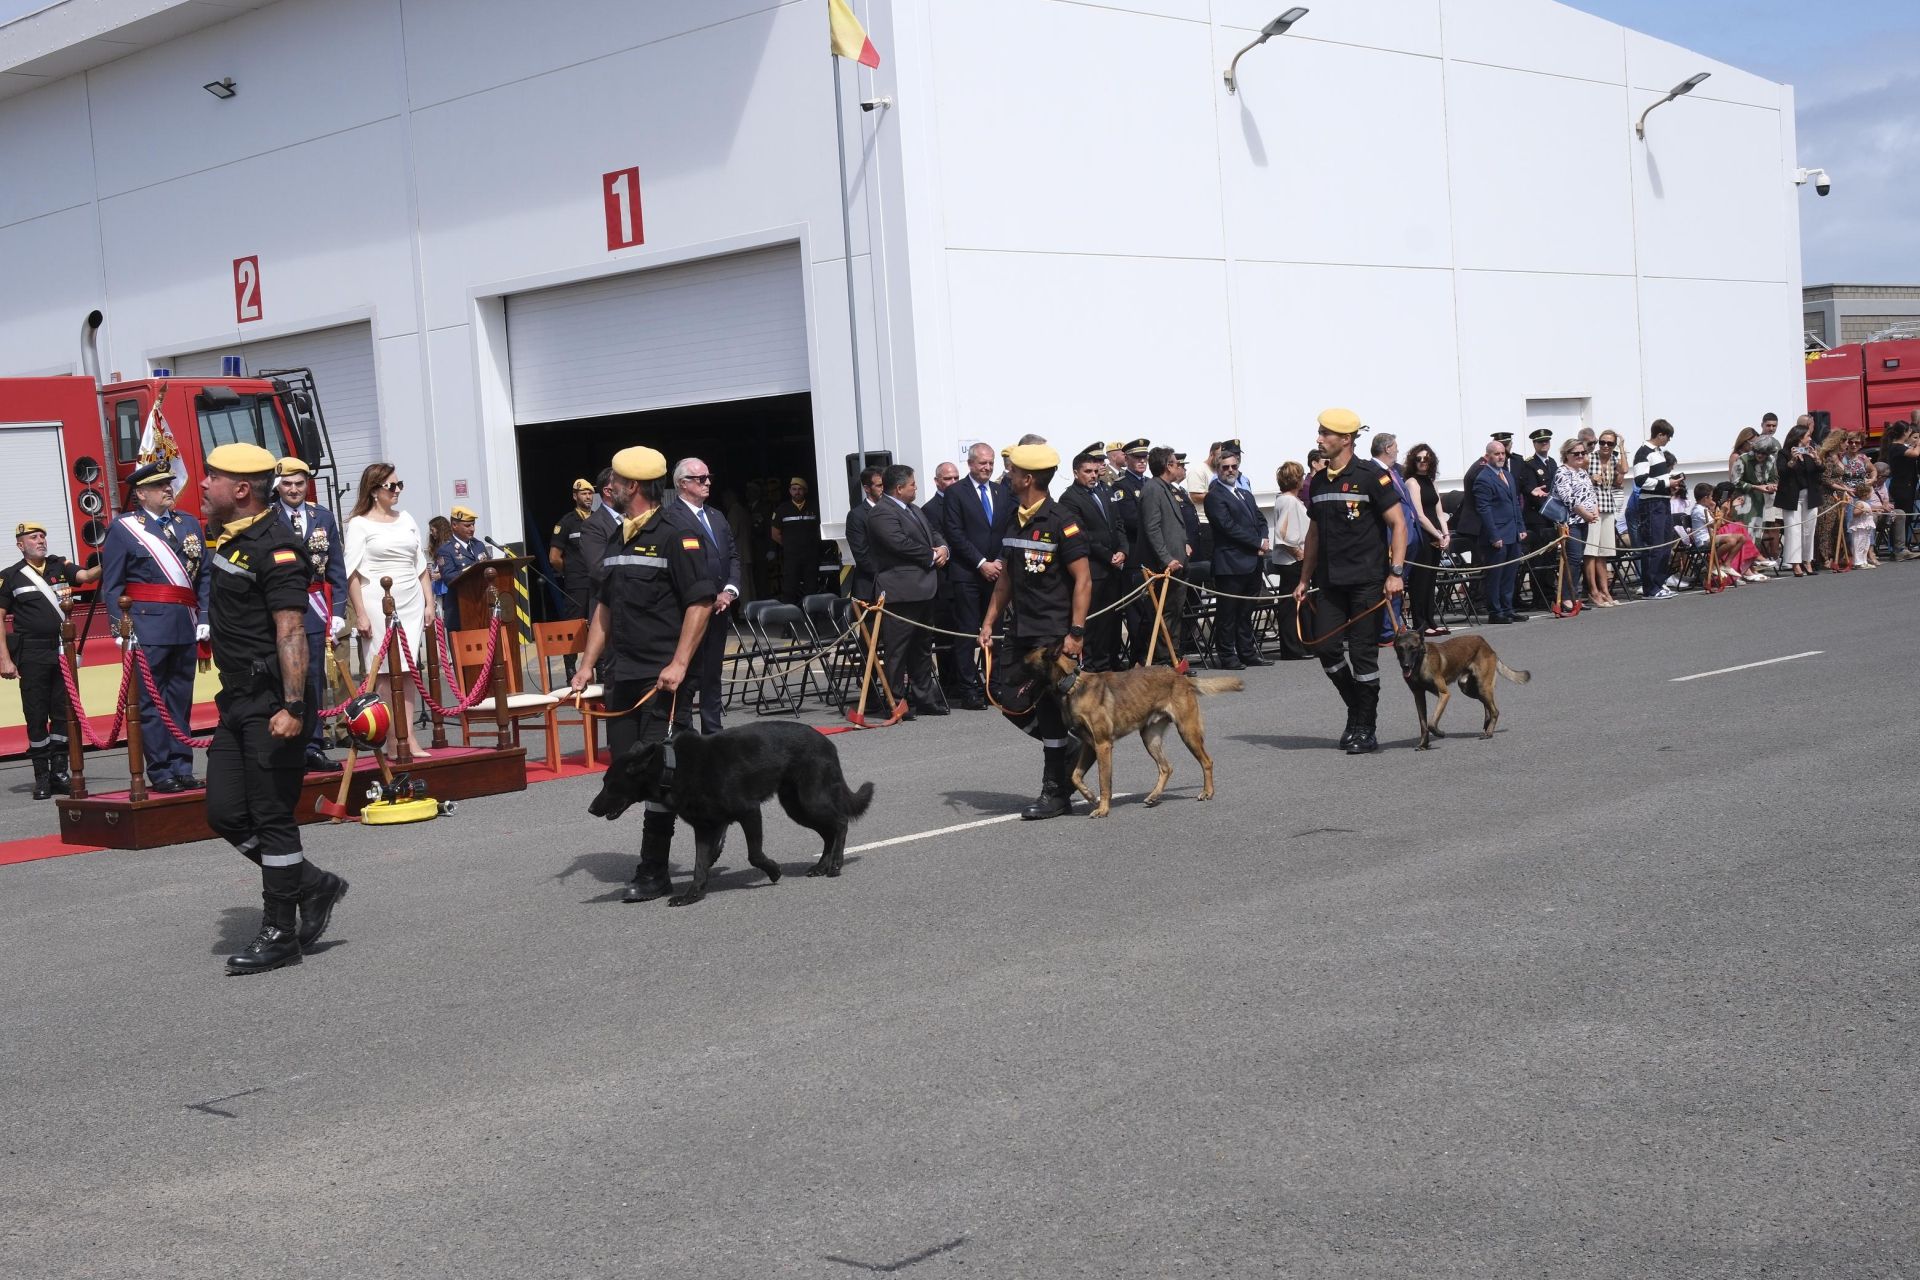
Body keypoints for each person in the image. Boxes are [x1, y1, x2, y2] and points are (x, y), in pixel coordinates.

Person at [198, 442, 347, 976]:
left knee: (272, 817)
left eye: (212, 477)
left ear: (241, 489)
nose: (203, 484)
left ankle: (280, 931)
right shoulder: (231, 537)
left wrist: (293, 706)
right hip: (237, 699)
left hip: (273, 702)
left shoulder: (277, 547)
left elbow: (291, 632)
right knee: (224, 812)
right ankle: (311, 883)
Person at [569, 446, 715, 903]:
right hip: (622, 673)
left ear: (632, 486)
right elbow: (604, 607)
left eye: (614, 480)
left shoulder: (678, 533)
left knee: (658, 769)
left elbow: (701, 603)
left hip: (662, 675)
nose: (607, 486)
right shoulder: (617, 536)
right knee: (625, 762)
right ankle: (712, 812)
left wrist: (679, 663)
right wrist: (587, 664)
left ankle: (654, 869)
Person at [978, 442, 1091, 819]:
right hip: (1019, 630)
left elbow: (1083, 580)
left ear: (1027, 478)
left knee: (1050, 710)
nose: (1007, 475)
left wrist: (1075, 633)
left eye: (1012, 471)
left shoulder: (1062, 522)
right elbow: (1006, 578)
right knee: (1004, 695)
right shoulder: (1014, 519)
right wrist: (989, 621)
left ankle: (1054, 792)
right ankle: (1073, 748)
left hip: (1053, 635)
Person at [1292, 409, 1407, 754]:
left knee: (1362, 655)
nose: (1319, 439)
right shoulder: (1318, 481)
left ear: (1346, 439)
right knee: (1325, 648)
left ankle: (1366, 728)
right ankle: (1356, 707)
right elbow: (1314, 533)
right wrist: (1304, 578)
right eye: (1319, 432)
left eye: (1325, 433)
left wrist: (1396, 573)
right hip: (1330, 583)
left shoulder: (1371, 476)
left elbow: (1398, 524)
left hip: (1366, 582)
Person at [101, 461, 208, 793]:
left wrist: (205, 617)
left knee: (180, 700)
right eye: (159, 485)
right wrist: (121, 629)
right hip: (147, 628)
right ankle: (160, 771)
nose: (167, 489)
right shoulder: (125, 529)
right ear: (141, 493)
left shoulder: (188, 524)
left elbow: (204, 576)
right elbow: (112, 585)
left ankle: (182, 766)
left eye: (168, 483)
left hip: (186, 624)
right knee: (151, 703)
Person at [0, 520, 99, 798]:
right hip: (31, 653)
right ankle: (41, 776)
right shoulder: (10, 576)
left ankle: (59, 771)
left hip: (61, 650)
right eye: (33, 537)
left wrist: (112, 557)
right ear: (21, 545)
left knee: (62, 712)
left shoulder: (59, 566)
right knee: (35, 714)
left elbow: (87, 576)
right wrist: (4, 659)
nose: (40, 540)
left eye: (42, 536)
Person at [345, 462, 433, 757]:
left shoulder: (406, 518)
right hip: (376, 600)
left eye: (399, 485)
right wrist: (360, 613)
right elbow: (352, 573)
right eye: (391, 486)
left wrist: (429, 602)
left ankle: (409, 737)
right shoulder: (359, 524)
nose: (397, 490)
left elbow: (420, 564)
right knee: (383, 672)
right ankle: (393, 739)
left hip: (410, 600)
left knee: (408, 670)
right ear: (374, 490)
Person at [271, 457, 349, 771]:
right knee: (284, 677)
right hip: (280, 608)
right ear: (278, 486)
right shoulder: (268, 517)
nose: (294, 490)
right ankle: (288, 748)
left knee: (314, 679)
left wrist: (338, 609)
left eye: (299, 483)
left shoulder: (323, 517)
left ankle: (313, 746)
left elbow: (336, 567)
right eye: (287, 484)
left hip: (315, 607)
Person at [867, 464, 950, 716]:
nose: (916, 488)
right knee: (898, 650)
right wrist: (929, 555)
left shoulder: (914, 509)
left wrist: (943, 548)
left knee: (922, 648)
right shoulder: (882, 512)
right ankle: (896, 701)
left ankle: (925, 698)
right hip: (901, 592)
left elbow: (933, 532)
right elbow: (898, 543)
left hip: (924, 589)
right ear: (899, 488)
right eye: (912, 484)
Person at [668, 457, 742, 734]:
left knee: (712, 673)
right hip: (690, 610)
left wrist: (729, 591)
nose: (708, 482)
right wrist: (710, 594)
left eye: (709, 477)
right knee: (688, 673)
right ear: (682, 483)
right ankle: (684, 732)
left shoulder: (716, 516)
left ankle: (713, 731)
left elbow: (732, 556)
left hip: (720, 608)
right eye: (701, 478)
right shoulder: (671, 518)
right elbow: (686, 566)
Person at [943, 443, 1010, 710]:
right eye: (983, 463)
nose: (988, 467)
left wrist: (1000, 561)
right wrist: (981, 563)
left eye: (991, 463)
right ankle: (969, 688)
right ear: (970, 464)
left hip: (997, 573)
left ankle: (994, 685)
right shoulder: (956, 493)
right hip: (968, 574)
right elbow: (954, 532)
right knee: (967, 633)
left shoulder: (1001, 491)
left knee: (996, 632)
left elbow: (1009, 528)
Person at [1058, 443, 1128, 672]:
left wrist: (1123, 550)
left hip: (1114, 566)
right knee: (1094, 621)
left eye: (1096, 471)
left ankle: (1109, 662)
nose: (1093, 475)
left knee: (1112, 620)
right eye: (1087, 471)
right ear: (1076, 473)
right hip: (1093, 568)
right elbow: (1082, 535)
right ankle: (1093, 666)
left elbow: (1118, 523)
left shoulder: (1105, 491)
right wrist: (1108, 555)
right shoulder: (1069, 498)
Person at [1199, 444, 1268, 670]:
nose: (1230, 471)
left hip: (1252, 561)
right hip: (1230, 563)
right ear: (1217, 469)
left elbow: (1260, 519)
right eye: (1225, 467)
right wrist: (1256, 542)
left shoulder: (1244, 493)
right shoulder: (1214, 496)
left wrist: (1264, 539)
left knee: (1246, 611)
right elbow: (1227, 527)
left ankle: (1247, 652)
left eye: (1234, 467)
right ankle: (1227, 655)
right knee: (1228, 613)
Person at [1135, 446, 1190, 666]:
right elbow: (1153, 528)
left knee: (1173, 613)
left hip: (1178, 562)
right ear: (1168, 466)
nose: (1179, 466)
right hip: (1164, 566)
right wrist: (1166, 558)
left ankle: (1173, 658)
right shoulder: (1153, 489)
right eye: (1176, 463)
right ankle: (1164, 661)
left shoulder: (1165, 488)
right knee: (1164, 615)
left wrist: (1183, 546)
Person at [1473, 438, 1526, 623]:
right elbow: (1484, 510)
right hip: (1497, 535)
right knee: (1496, 575)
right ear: (1487, 456)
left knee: (1510, 574)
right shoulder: (1483, 478)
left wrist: (1521, 527)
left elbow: (1515, 504)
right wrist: (1494, 536)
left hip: (1512, 532)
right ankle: (1495, 612)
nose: (1501, 457)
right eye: (1497, 454)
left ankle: (1507, 608)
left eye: (1503, 453)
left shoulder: (1507, 475)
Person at [1400, 443, 1451, 635]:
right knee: (1420, 581)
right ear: (1413, 461)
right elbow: (1419, 515)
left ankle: (1431, 621)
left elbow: (1439, 513)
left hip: (1436, 535)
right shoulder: (1412, 482)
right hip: (1422, 536)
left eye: (1426, 459)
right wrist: (1438, 534)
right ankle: (1420, 623)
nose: (1423, 462)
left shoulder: (1431, 482)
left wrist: (1446, 534)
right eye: (1419, 459)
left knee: (1430, 581)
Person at [1268, 461, 1313, 660]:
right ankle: (1292, 648)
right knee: (1291, 605)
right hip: (1292, 560)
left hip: (1291, 559)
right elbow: (1282, 533)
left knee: (1299, 604)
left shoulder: (1287, 500)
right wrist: (1298, 553)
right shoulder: (1288, 501)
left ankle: (1304, 644)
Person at [1631, 420, 1680, 599]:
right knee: (1654, 545)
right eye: (1668, 437)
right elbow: (1640, 480)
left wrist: (1671, 484)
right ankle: (1650, 588)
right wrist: (1667, 483)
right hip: (1651, 504)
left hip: (1663, 501)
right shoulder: (1644, 452)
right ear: (1660, 434)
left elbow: (1658, 479)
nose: (1668, 440)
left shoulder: (1659, 453)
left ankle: (1659, 583)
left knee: (1665, 544)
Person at [1551, 439, 1600, 612]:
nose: (1580, 456)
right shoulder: (1562, 472)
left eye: (1583, 453)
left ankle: (1574, 595)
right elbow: (1568, 499)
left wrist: (1594, 510)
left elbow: (1591, 494)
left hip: (1584, 521)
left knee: (1578, 559)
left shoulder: (1582, 472)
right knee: (1572, 559)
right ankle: (1566, 597)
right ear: (1566, 455)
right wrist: (1585, 514)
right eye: (1576, 453)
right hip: (1570, 522)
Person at [1513, 427, 1559, 610]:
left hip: (1551, 518)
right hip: (1537, 518)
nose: (1544, 444)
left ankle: (1550, 594)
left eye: (1547, 441)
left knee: (1550, 559)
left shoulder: (1552, 462)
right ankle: (1540, 597)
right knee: (1539, 559)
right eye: (1540, 442)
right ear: (1534, 444)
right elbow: (1533, 493)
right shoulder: (1529, 464)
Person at [434, 504, 492, 629]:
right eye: (467, 525)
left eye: (473, 525)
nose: (472, 529)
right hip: (460, 609)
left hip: (483, 607)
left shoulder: (479, 545)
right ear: (454, 525)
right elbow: (449, 577)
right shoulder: (445, 550)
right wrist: (472, 571)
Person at [550, 477, 598, 624]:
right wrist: (570, 571)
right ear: (575, 496)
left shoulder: (599, 519)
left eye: (590, 493)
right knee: (575, 624)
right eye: (583, 493)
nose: (588, 497)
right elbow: (554, 558)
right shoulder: (566, 522)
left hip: (598, 582)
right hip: (577, 585)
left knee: (599, 623)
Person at [1777, 423, 1822, 577]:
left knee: (1809, 529)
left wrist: (1817, 459)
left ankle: (1807, 561)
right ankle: (1795, 564)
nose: (1810, 439)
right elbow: (1782, 472)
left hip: (1810, 495)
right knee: (1793, 529)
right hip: (1792, 496)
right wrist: (1792, 461)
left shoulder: (1809, 452)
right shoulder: (1784, 453)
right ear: (1799, 437)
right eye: (1808, 436)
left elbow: (1820, 471)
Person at [770, 477, 823, 604]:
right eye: (794, 489)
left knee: (812, 589)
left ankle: (812, 616)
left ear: (805, 491)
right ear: (790, 491)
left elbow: (821, 530)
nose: (797, 492)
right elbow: (775, 534)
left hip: (811, 556)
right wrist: (790, 545)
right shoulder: (782, 509)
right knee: (789, 589)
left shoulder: (815, 507)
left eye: (800, 489)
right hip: (791, 557)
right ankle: (789, 616)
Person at [1848, 481, 1879, 568]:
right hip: (1860, 527)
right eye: (1870, 493)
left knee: (1866, 544)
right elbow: (1855, 513)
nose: (1871, 495)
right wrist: (1863, 511)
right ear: (1866, 494)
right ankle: (1858, 562)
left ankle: (1863, 560)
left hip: (1866, 527)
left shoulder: (1866, 503)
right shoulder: (1859, 503)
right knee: (1859, 543)